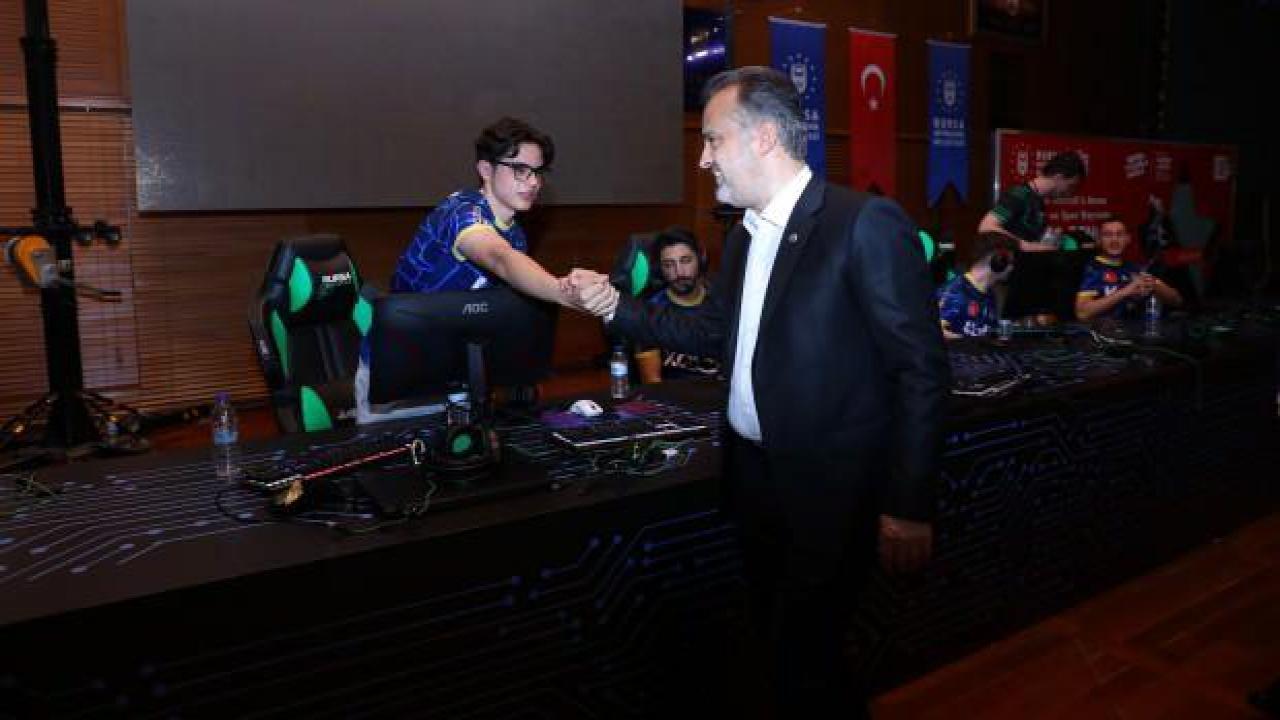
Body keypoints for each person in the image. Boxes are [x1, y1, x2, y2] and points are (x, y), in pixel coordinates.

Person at [568, 66, 949, 717]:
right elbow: (710, 331)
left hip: (832, 495)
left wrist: (909, 504)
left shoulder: (863, 222)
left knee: (806, 655)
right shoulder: (744, 233)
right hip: (756, 483)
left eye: (713, 139)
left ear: (765, 136)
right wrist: (614, 307)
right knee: (783, 646)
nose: (703, 158)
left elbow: (921, 370)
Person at [357, 117, 607, 422]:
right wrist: (561, 291)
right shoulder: (460, 212)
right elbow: (499, 257)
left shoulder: (516, 233)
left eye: (538, 172)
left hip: (454, 378)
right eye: (520, 170)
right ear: (486, 170)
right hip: (399, 379)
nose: (533, 182)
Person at [632, 227, 722, 382]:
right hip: (674, 394)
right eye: (668, 265)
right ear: (660, 269)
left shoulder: (721, 301)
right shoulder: (650, 312)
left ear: (701, 259)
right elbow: (653, 382)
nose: (679, 272)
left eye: (686, 261)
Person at [1076, 217, 1182, 322]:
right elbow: (1082, 313)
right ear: (1099, 240)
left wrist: (1154, 284)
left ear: (1127, 239)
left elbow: (1177, 301)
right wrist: (1126, 291)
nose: (1114, 240)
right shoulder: (1091, 269)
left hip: (1136, 330)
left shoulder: (1135, 269)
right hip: (1103, 331)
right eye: (1108, 235)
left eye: (1119, 234)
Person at [978, 150, 1086, 253]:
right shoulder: (1019, 194)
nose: (1070, 193)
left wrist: (1052, 240)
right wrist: (1027, 246)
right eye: (1071, 186)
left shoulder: (1039, 201)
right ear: (1058, 178)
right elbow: (986, 227)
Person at [936, 232, 1015, 339]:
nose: (1011, 268)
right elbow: (932, 332)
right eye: (1009, 262)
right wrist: (965, 342)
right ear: (997, 260)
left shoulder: (989, 295)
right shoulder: (954, 292)